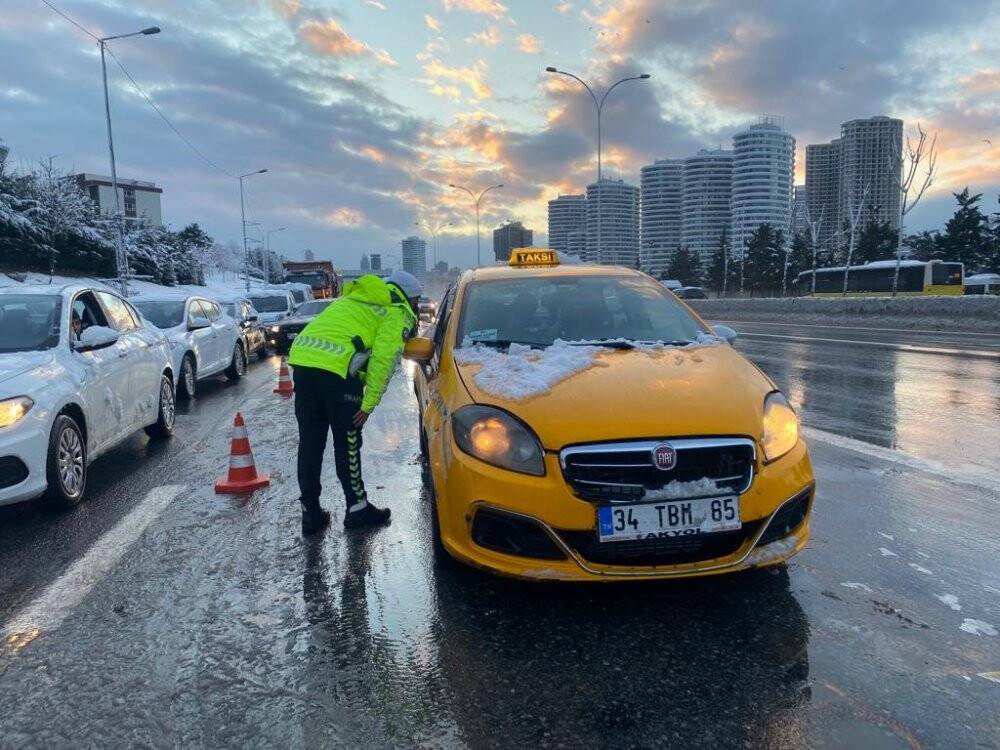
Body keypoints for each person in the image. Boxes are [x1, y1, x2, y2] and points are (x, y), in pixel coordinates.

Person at [287, 270, 421, 535]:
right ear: (410, 297)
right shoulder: (395, 310)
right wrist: (368, 404)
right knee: (347, 441)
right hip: (336, 373)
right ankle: (357, 508)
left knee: (310, 442)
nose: (415, 308)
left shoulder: (352, 301)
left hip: (302, 363)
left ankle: (311, 513)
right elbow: (384, 358)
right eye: (416, 302)